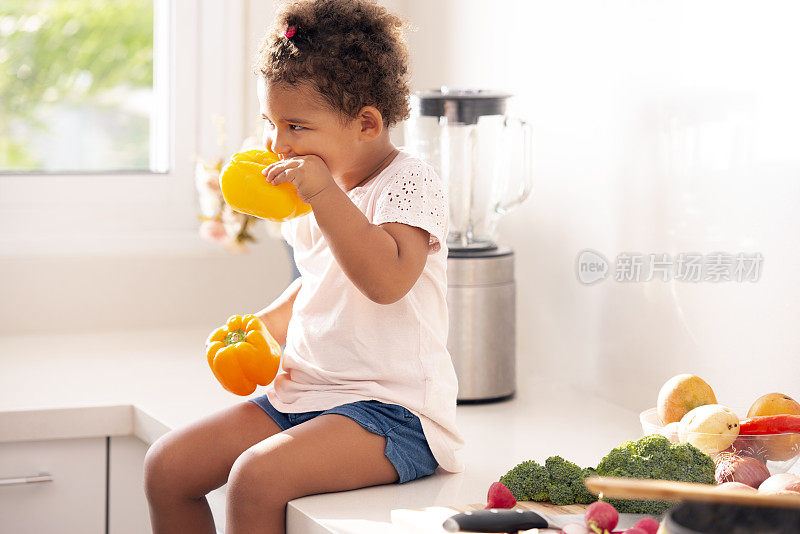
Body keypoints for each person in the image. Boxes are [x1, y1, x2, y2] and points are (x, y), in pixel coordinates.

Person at [144, 1, 463, 532]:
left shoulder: (409, 183)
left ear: (366, 123)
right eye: (271, 123)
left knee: (255, 478)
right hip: (306, 395)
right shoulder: (316, 193)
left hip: (394, 416)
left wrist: (320, 193)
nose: (278, 144)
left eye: (296, 125)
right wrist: (263, 327)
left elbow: (386, 283)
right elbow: (320, 281)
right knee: (167, 467)